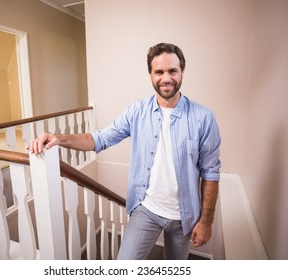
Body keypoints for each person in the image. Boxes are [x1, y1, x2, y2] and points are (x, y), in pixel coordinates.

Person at [27, 43, 221, 260]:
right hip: (146, 209)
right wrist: (59, 138)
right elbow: (100, 139)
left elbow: (210, 173)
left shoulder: (203, 118)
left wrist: (205, 222)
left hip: (185, 216)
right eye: (159, 72)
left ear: (181, 72)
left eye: (172, 71)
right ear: (150, 75)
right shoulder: (136, 111)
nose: (166, 78)